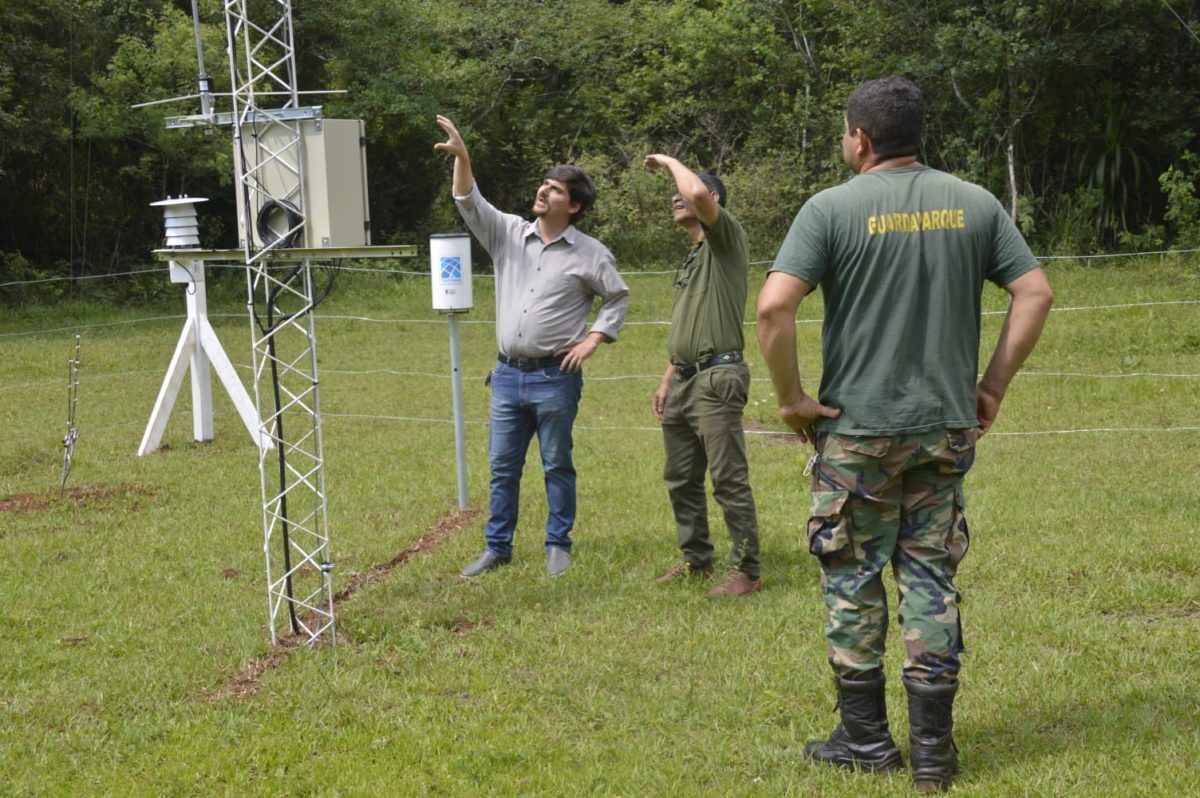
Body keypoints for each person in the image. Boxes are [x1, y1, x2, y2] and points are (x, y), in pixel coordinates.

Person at [756, 77, 1053, 792]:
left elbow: (773, 308)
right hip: (944, 431)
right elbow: (1035, 291)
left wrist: (793, 399)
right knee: (930, 577)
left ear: (860, 137)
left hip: (857, 433)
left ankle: (865, 741)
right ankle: (933, 755)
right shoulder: (976, 203)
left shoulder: (830, 209)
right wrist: (990, 388)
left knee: (853, 579)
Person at [434, 115, 630, 578]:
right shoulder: (508, 233)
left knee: (557, 464)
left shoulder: (591, 253)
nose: (544, 192)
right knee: (503, 469)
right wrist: (463, 157)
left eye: (556, 190)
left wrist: (595, 339)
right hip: (506, 376)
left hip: (554, 377)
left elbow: (617, 296)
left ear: (574, 207)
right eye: (544, 184)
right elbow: (468, 200)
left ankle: (557, 545)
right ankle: (496, 548)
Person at [643, 155, 761, 598]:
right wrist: (667, 378)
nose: (676, 196)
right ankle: (697, 559)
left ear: (713, 201)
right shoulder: (694, 258)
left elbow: (692, 191)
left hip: (717, 377)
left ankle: (747, 571)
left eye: (687, 191)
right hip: (685, 380)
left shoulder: (726, 241)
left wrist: (669, 160)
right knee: (680, 476)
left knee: (728, 478)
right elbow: (691, 324)